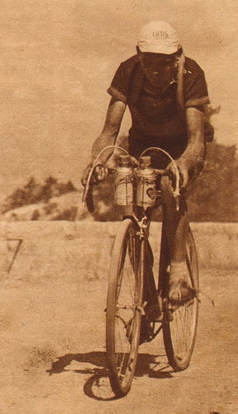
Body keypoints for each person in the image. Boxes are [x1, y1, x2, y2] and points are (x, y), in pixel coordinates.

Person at [85, 20, 211, 311]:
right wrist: (96, 162)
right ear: (138, 56)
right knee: (131, 208)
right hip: (143, 146)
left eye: (165, 63)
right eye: (149, 61)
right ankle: (146, 292)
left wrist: (183, 164)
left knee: (170, 187)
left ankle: (178, 272)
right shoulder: (128, 72)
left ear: (177, 58)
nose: (156, 70)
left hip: (183, 148)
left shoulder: (191, 74)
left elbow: (196, 139)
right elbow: (109, 131)